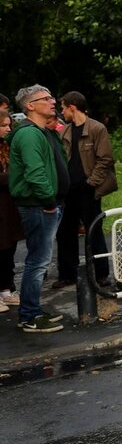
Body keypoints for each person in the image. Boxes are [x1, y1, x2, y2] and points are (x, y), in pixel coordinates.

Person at [8, 85, 68, 333]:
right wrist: (49, 202)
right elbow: (35, 174)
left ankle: (32, 310)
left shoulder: (43, 131)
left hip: (46, 205)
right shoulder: (30, 135)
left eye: (52, 97)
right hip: (40, 207)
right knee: (37, 262)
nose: (52, 101)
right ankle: (29, 316)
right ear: (30, 106)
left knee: (40, 260)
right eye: (45, 99)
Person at [56, 92, 118, 289]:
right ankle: (68, 274)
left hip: (88, 189)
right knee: (65, 232)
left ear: (73, 107)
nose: (62, 111)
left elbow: (105, 159)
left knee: (94, 231)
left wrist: (91, 182)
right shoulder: (64, 131)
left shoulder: (96, 128)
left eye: (64, 107)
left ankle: (101, 273)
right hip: (69, 190)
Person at [0, 109, 25, 310]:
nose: (7, 129)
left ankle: (7, 290)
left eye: (9, 125)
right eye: (3, 126)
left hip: (10, 205)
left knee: (9, 250)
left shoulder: (9, 146)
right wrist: (15, 176)